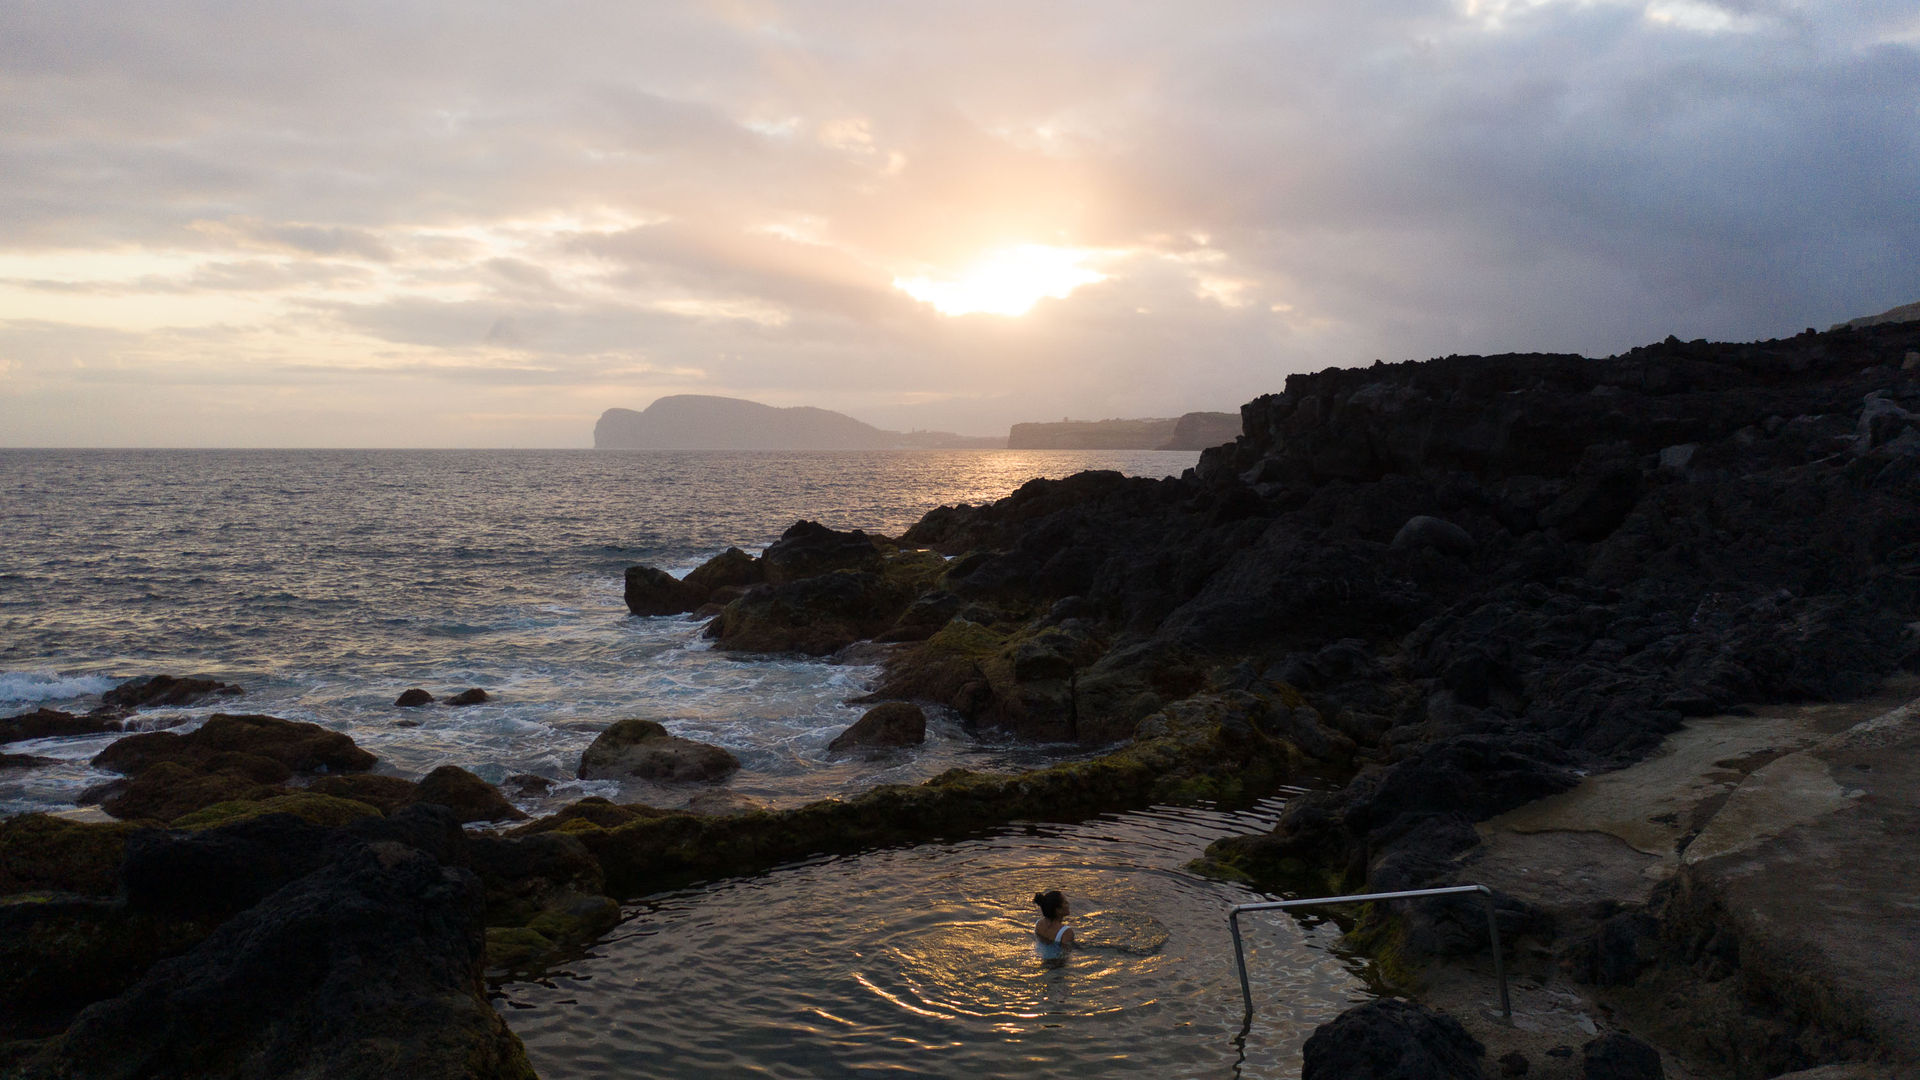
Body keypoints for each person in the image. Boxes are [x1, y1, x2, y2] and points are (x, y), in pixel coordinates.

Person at [1033, 890, 1075, 955]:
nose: (1068, 904)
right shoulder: (1066, 932)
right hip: (1055, 960)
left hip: (1039, 955)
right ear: (1058, 910)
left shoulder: (1038, 923)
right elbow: (1066, 954)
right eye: (1065, 902)